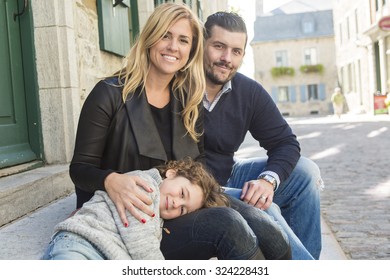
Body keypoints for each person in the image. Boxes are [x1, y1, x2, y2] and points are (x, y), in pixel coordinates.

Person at [68, 3, 290, 260]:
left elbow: (198, 163)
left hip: (180, 206)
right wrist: (111, 180)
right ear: (150, 37)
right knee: (228, 225)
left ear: (191, 50)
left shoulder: (187, 98)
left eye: (183, 40)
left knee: (266, 227)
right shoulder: (108, 94)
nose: (174, 47)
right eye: (166, 35)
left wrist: (203, 195)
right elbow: (80, 169)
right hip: (133, 217)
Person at [198, 11, 324, 259]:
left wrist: (268, 180)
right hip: (194, 187)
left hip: (228, 174)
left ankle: (309, 258)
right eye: (219, 47)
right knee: (265, 209)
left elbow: (285, 143)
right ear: (202, 45)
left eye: (236, 51)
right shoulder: (179, 85)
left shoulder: (248, 91)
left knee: (306, 173)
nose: (227, 58)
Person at [42, 158, 248, 260]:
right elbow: (141, 246)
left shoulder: (158, 216)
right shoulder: (143, 186)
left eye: (183, 210)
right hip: (82, 243)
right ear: (171, 173)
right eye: (182, 194)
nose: (177, 203)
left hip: (106, 254)